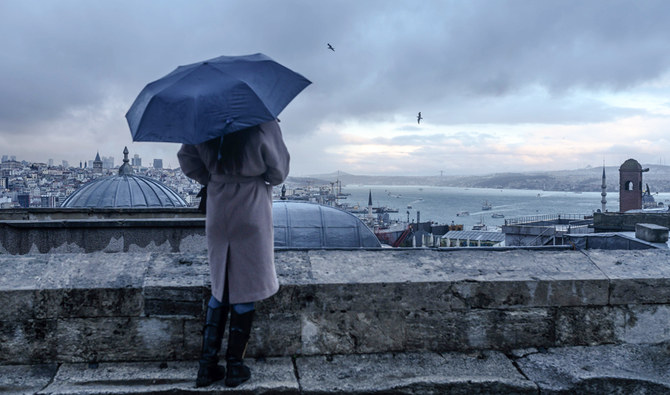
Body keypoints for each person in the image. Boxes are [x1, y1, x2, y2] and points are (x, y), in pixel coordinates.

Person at [177, 119, 290, 388]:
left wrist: (215, 177)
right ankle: (235, 367)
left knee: (221, 283)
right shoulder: (261, 123)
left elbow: (187, 159)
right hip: (250, 204)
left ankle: (206, 367)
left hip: (218, 204)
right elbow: (279, 173)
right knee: (247, 284)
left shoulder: (203, 123)